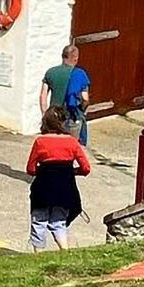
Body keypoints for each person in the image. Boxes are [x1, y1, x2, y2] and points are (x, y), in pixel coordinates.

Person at [26, 106, 92, 250]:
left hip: (42, 188)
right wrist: (71, 171)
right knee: (58, 221)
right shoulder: (72, 142)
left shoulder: (40, 141)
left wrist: (43, 170)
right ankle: (64, 250)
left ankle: (38, 253)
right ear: (63, 121)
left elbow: (30, 169)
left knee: (39, 221)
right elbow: (86, 168)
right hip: (65, 188)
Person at [39, 44, 91, 146]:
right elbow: (85, 98)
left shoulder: (51, 72)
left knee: (55, 145)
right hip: (72, 116)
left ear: (62, 56)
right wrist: (83, 112)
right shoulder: (80, 74)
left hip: (55, 116)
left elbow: (43, 96)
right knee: (73, 147)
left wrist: (45, 114)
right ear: (76, 58)